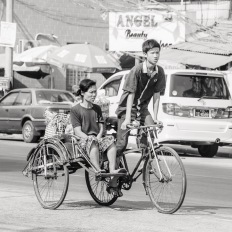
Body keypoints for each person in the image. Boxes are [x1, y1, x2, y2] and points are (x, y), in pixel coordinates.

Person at [70, 79, 125, 195]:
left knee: (110, 140)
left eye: (95, 92)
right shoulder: (75, 110)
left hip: (97, 139)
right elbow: (77, 131)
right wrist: (89, 137)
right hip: (84, 141)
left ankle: (112, 170)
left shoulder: (97, 108)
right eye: (91, 92)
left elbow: (101, 128)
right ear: (83, 93)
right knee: (93, 142)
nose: (94, 95)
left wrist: (99, 136)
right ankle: (97, 170)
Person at [115, 39, 166, 167]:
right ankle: (113, 169)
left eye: (157, 53)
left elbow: (157, 95)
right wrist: (127, 119)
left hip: (142, 109)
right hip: (127, 109)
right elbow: (131, 94)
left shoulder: (159, 71)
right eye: (152, 53)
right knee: (122, 144)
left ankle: (146, 163)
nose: (156, 56)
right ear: (145, 54)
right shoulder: (136, 70)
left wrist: (155, 118)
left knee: (151, 131)